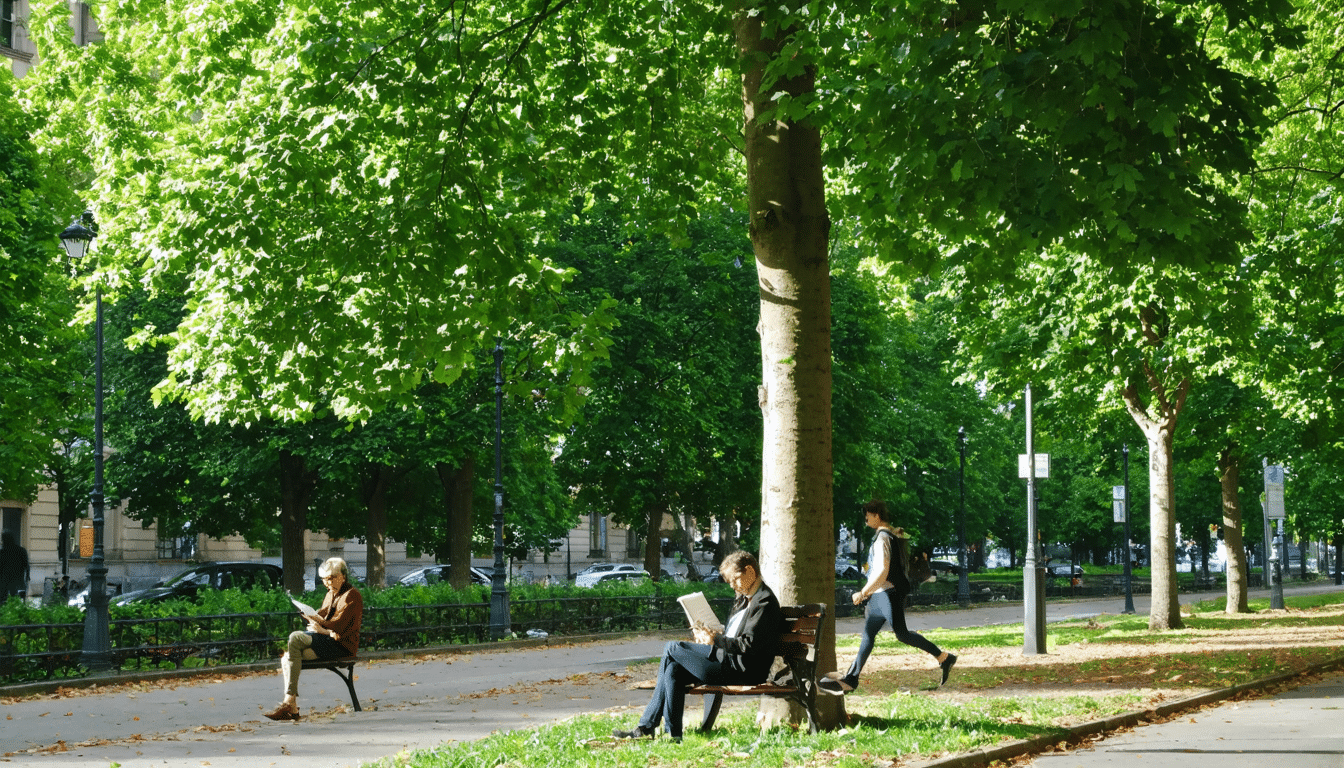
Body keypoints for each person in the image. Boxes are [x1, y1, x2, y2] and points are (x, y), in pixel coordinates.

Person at [613, 550, 783, 743]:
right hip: (728, 660)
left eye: (735, 579)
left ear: (750, 571)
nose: (733, 586)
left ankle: (646, 727)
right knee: (673, 669)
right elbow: (734, 635)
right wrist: (709, 634)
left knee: (672, 647)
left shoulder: (764, 602)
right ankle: (673, 736)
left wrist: (716, 639)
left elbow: (748, 644)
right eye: (729, 583)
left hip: (744, 670)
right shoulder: (745, 599)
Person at [821, 500, 955, 694]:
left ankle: (944, 657)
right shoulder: (886, 535)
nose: (865, 519)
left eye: (867, 515)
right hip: (879, 596)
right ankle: (851, 679)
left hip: (887, 595)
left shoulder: (883, 537)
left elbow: (882, 570)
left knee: (902, 634)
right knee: (867, 636)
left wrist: (863, 592)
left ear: (876, 515)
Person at [264, 557, 363, 721]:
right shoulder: (331, 594)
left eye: (331, 578)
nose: (327, 583)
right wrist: (309, 615)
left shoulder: (352, 595)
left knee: (295, 637)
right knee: (287, 657)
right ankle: (291, 705)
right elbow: (322, 614)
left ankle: (289, 704)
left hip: (341, 645)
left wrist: (320, 628)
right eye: (325, 579)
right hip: (327, 641)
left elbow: (338, 627)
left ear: (343, 576)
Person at [0, 532, 29, 601]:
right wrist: (27, 578)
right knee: (17, 602)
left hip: (6, 584)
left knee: (5, 602)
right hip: (18, 582)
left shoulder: (2, 552)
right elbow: (27, 566)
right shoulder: (21, 550)